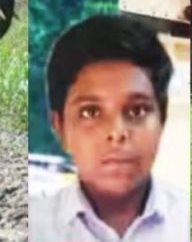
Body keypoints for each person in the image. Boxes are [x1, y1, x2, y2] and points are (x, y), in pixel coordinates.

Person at [29, 15, 189, 242]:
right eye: (91, 112)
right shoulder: (36, 225)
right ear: (60, 127)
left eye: (137, 111)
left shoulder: (184, 220)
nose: (117, 133)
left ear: (162, 119)